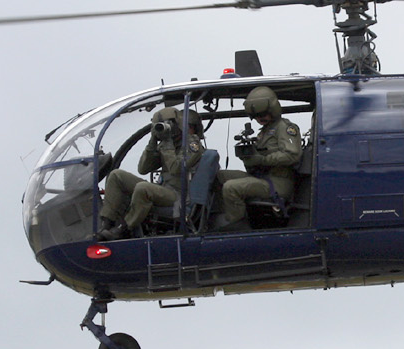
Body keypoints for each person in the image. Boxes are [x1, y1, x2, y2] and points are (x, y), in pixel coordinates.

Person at [93, 105, 207, 241]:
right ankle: (107, 223)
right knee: (117, 176)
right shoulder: (167, 145)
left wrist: (167, 144)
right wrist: (153, 142)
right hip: (164, 190)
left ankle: (124, 228)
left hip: (180, 196)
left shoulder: (193, 146)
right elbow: (143, 168)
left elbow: (176, 168)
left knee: (143, 188)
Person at [214, 86, 301, 231]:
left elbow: (292, 155)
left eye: (263, 114)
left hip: (279, 181)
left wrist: (262, 160)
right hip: (262, 176)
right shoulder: (264, 132)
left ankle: (238, 227)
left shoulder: (285, 128)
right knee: (219, 176)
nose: (260, 118)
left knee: (231, 187)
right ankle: (223, 216)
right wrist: (249, 158)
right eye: (256, 116)